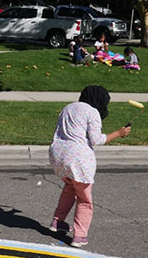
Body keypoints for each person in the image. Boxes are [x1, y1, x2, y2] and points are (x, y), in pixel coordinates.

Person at [48, 86, 132, 247]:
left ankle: (58, 222)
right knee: (84, 200)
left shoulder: (69, 107)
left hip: (58, 156)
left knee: (70, 187)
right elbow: (96, 139)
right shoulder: (92, 112)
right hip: (78, 160)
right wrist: (118, 133)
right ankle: (79, 236)